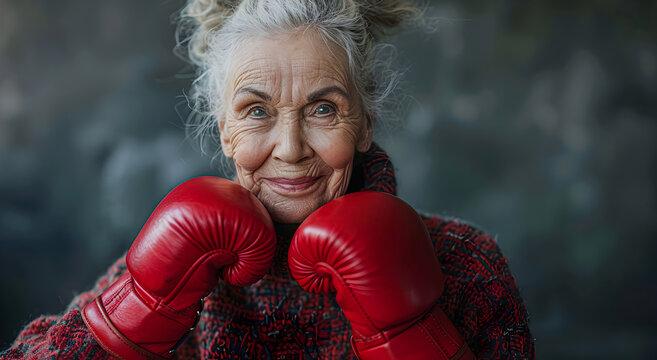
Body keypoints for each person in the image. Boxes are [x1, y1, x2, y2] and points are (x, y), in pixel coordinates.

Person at [1, 0, 535, 359]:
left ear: (366, 122)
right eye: (256, 111)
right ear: (223, 128)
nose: (290, 147)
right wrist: (137, 309)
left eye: (323, 109)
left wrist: (416, 333)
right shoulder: (179, 270)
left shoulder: (463, 264)